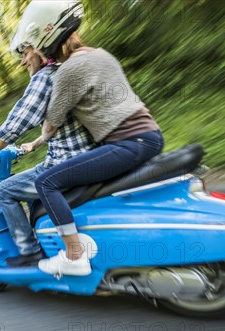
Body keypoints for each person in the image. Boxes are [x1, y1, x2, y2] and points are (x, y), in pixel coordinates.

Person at [33, 28, 165, 277]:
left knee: (46, 182)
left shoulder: (68, 70)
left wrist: (34, 74)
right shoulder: (102, 55)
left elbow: (51, 123)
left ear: (48, 47)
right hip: (150, 134)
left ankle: (74, 256)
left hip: (128, 142)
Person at [0, 1, 94, 267]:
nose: (23, 61)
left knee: (4, 190)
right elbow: (57, 123)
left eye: (25, 53)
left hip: (65, 162)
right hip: (86, 156)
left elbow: (18, 121)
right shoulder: (67, 70)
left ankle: (28, 251)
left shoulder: (46, 76)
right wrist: (34, 144)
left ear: (39, 49)